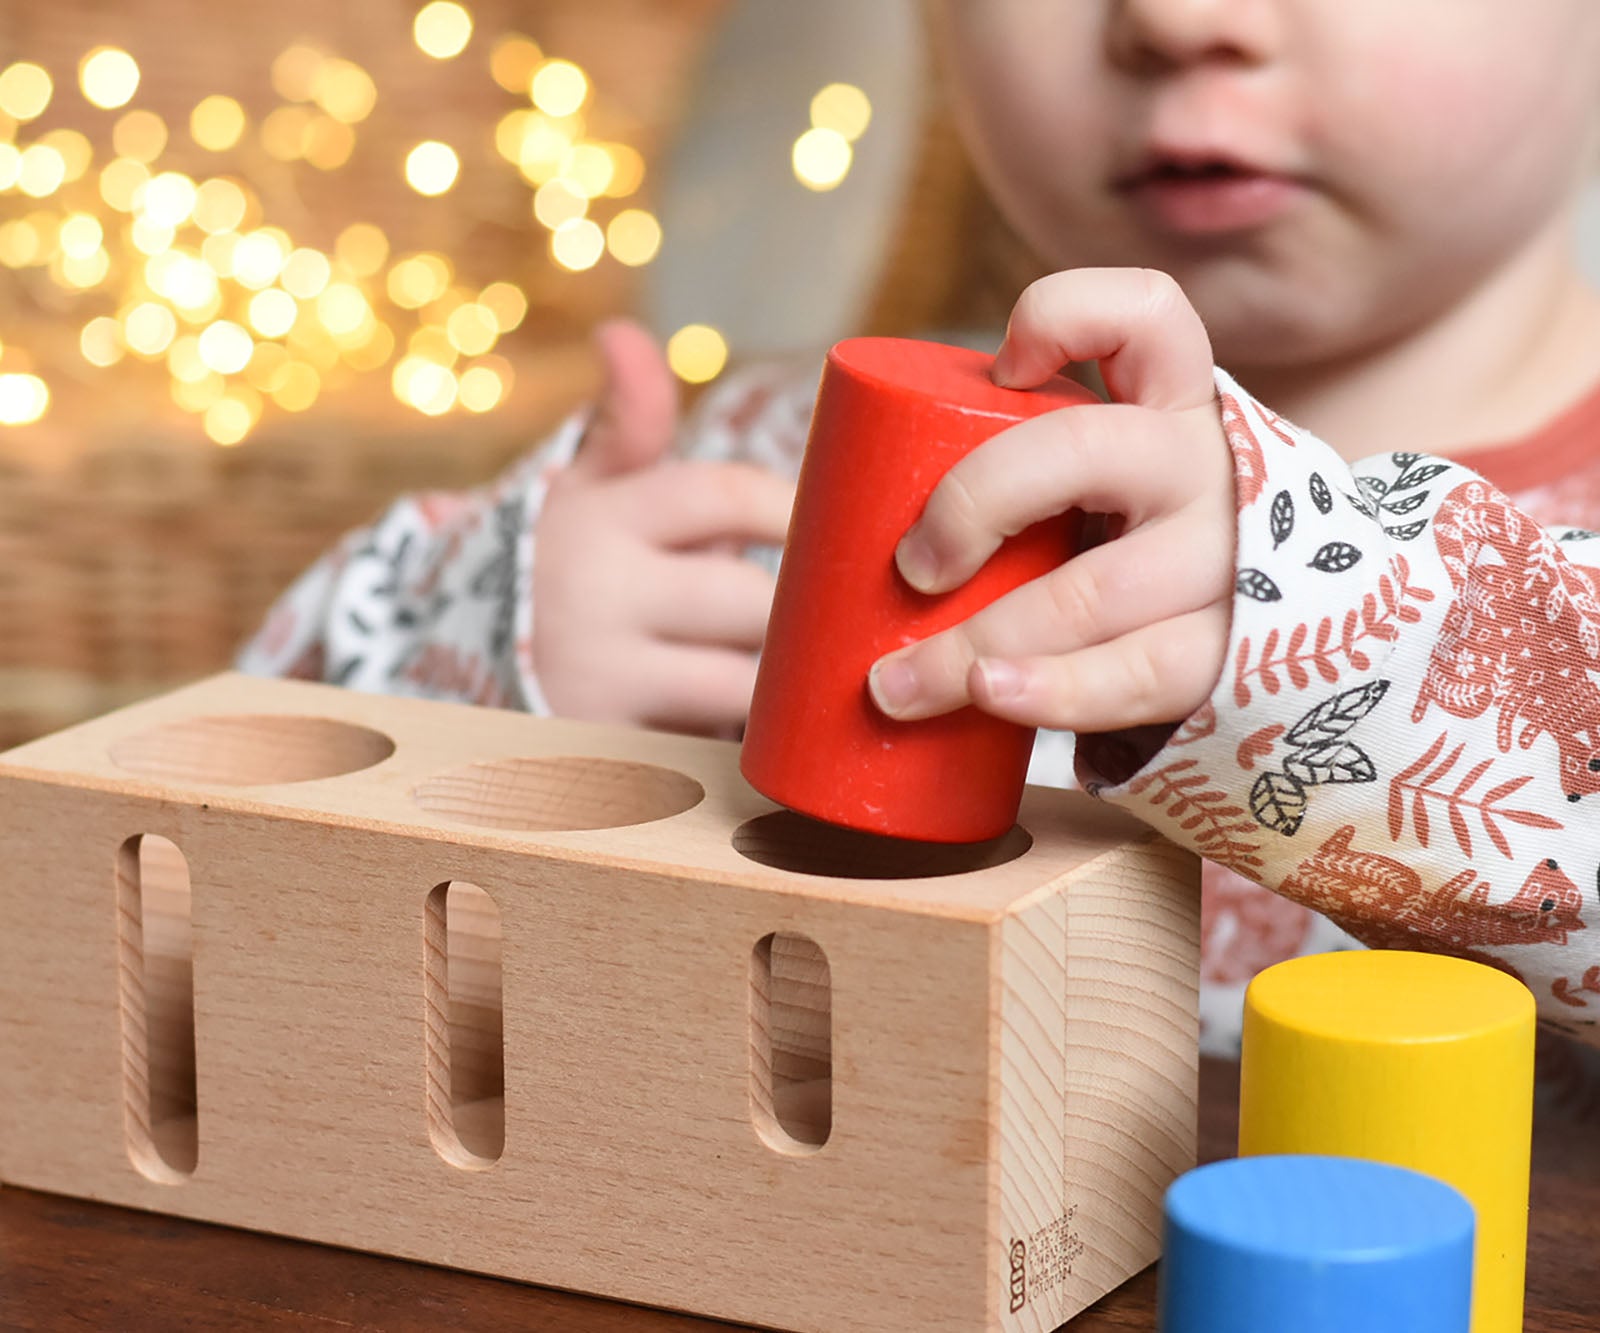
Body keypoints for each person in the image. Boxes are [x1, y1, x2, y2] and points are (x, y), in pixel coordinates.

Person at [240, 0, 1600, 1073]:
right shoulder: (765, 466)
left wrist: (1351, 629)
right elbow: (232, 838)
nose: (1177, 16)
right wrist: (497, 672)